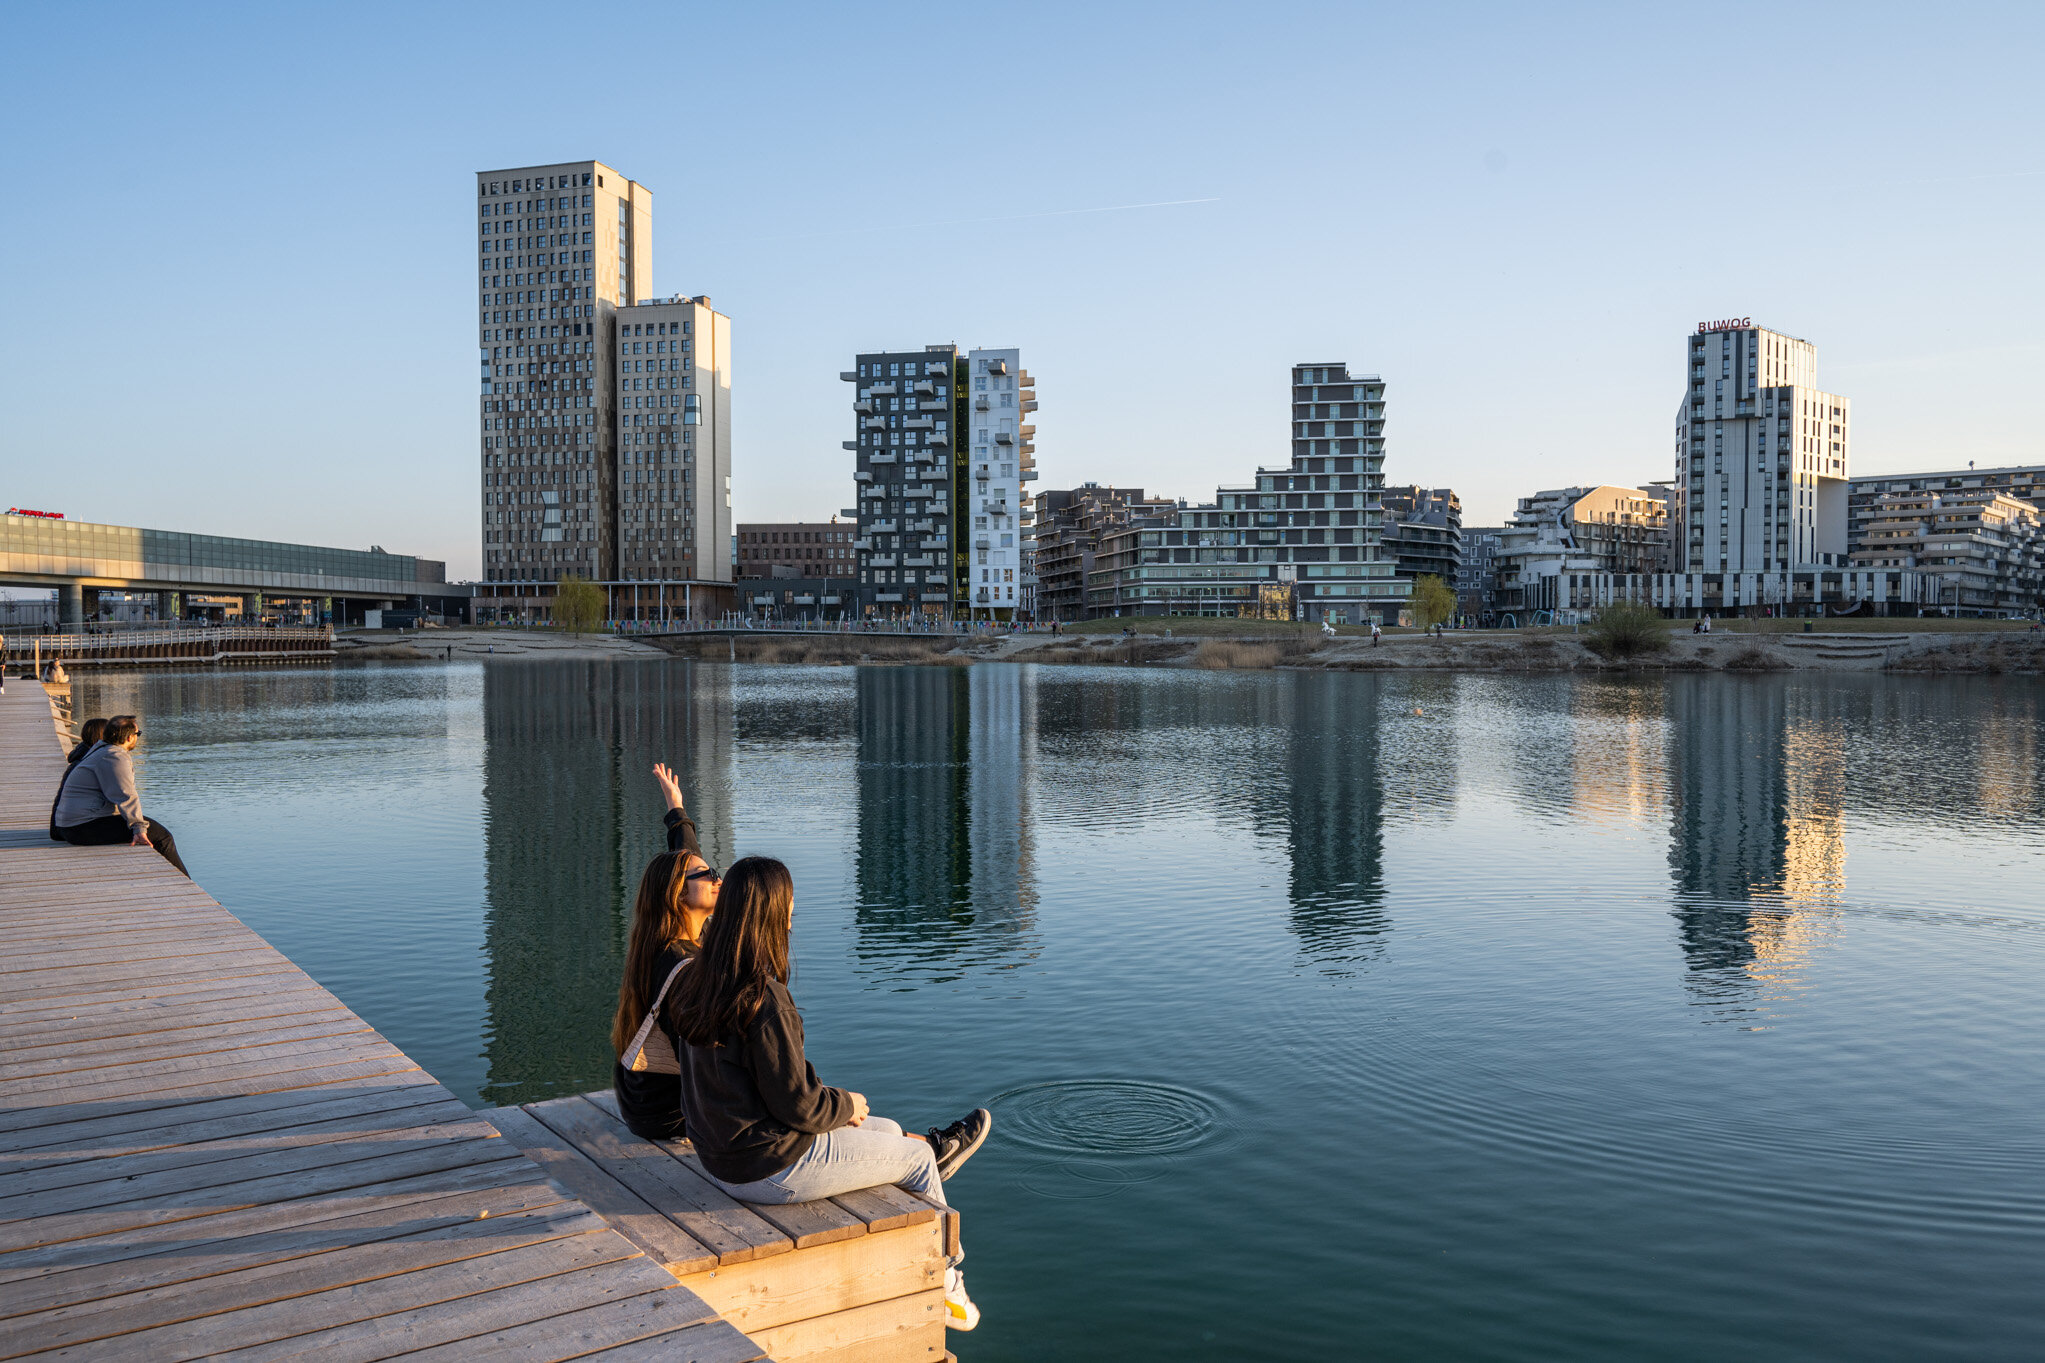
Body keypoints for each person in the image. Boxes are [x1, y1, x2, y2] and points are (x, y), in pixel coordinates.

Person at [672, 856, 991, 1332]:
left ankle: (918, 1179)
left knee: (886, 1130)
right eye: (789, 906)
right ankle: (946, 1283)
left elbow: (762, 1085)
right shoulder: (763, 998)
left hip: (720, 1160)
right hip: (769, 1168)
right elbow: (798, 1105)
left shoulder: (698, 981)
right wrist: (845, 1104)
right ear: (770, 915)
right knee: (917, 1157)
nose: (792, 916)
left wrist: (840, 1109)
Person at [610, 762, 724, 1141]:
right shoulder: (679, 963)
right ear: (678, 896)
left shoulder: (680, 934)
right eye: (708, 875)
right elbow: (703, 1061)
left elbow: (686, 859)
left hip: (642, 1098)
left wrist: (677, 810)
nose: (718, 879)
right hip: (666, 1114)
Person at [51, 715, 189, 876]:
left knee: (152, 830)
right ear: (130, 737)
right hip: (80, 828)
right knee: (162, 836)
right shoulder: (114, 756)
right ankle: (185, 882)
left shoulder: (101, 750)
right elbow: (126, 795)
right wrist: (138, 828)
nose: (137, 737)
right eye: (138, 734)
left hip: (71, 825)